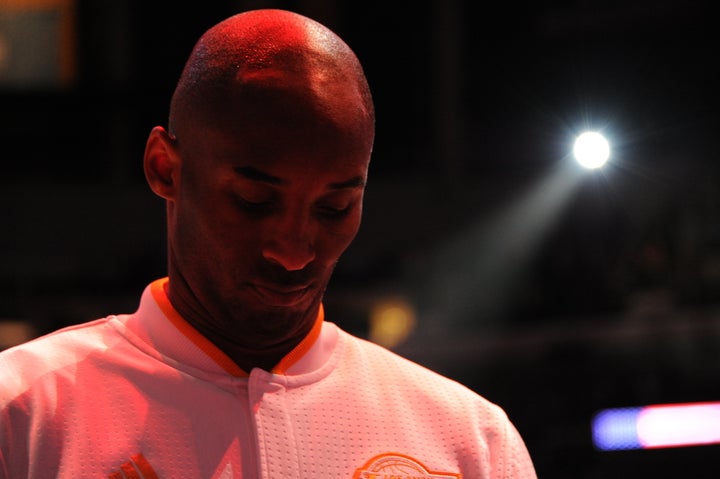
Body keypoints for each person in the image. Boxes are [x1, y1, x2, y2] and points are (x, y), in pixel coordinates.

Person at [0, 9, 537, 479]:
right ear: (165, 168)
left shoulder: (471, 442)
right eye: (255, 201)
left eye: (334, 208)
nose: (295, 251)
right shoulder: (21, 413)